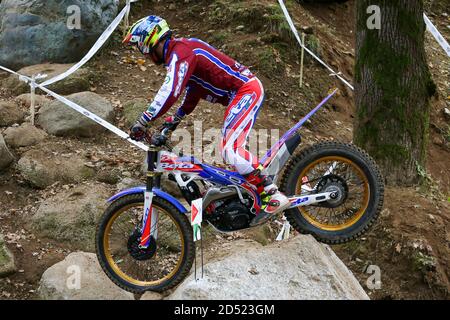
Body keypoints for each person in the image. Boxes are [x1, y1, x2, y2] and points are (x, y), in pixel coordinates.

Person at [123, 16, 290, 225]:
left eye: (141, 48)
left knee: (230, 149)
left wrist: (143, 120)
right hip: (239, 94)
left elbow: (170, 90)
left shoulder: (181, 52)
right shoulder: (182, 53)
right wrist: (176, 118)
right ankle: (252, 192)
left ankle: (271, 193)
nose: (144, 54)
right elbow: (193, 89)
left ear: (149, 40)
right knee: (230, 150)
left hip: (246, 90)